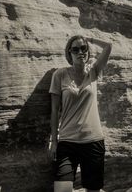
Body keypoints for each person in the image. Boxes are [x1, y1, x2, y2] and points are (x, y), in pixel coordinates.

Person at [48, 35, 112, 192]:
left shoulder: (94, 72)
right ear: (69, 53)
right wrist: (54, 142)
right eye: (75, 49)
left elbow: (108, 46)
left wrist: (88, 39)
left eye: (83, 49)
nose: (80, 52)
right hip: (67, 142)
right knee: (62, 189)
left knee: (93, 190)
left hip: (93, 141)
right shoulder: (60, 75)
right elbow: (54, 110)